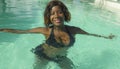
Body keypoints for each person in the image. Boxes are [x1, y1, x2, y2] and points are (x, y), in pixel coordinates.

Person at [0, 0, 115, 69]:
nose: (56, 16)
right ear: (49, 17)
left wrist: (106, 37)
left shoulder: (74, 30)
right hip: (43, 55)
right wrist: (2, 29)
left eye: (59, 12)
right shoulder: (46, 31)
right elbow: (22, 31)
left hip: (61, 57)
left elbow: (90, 35)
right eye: (52, 13)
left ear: (64, 14)